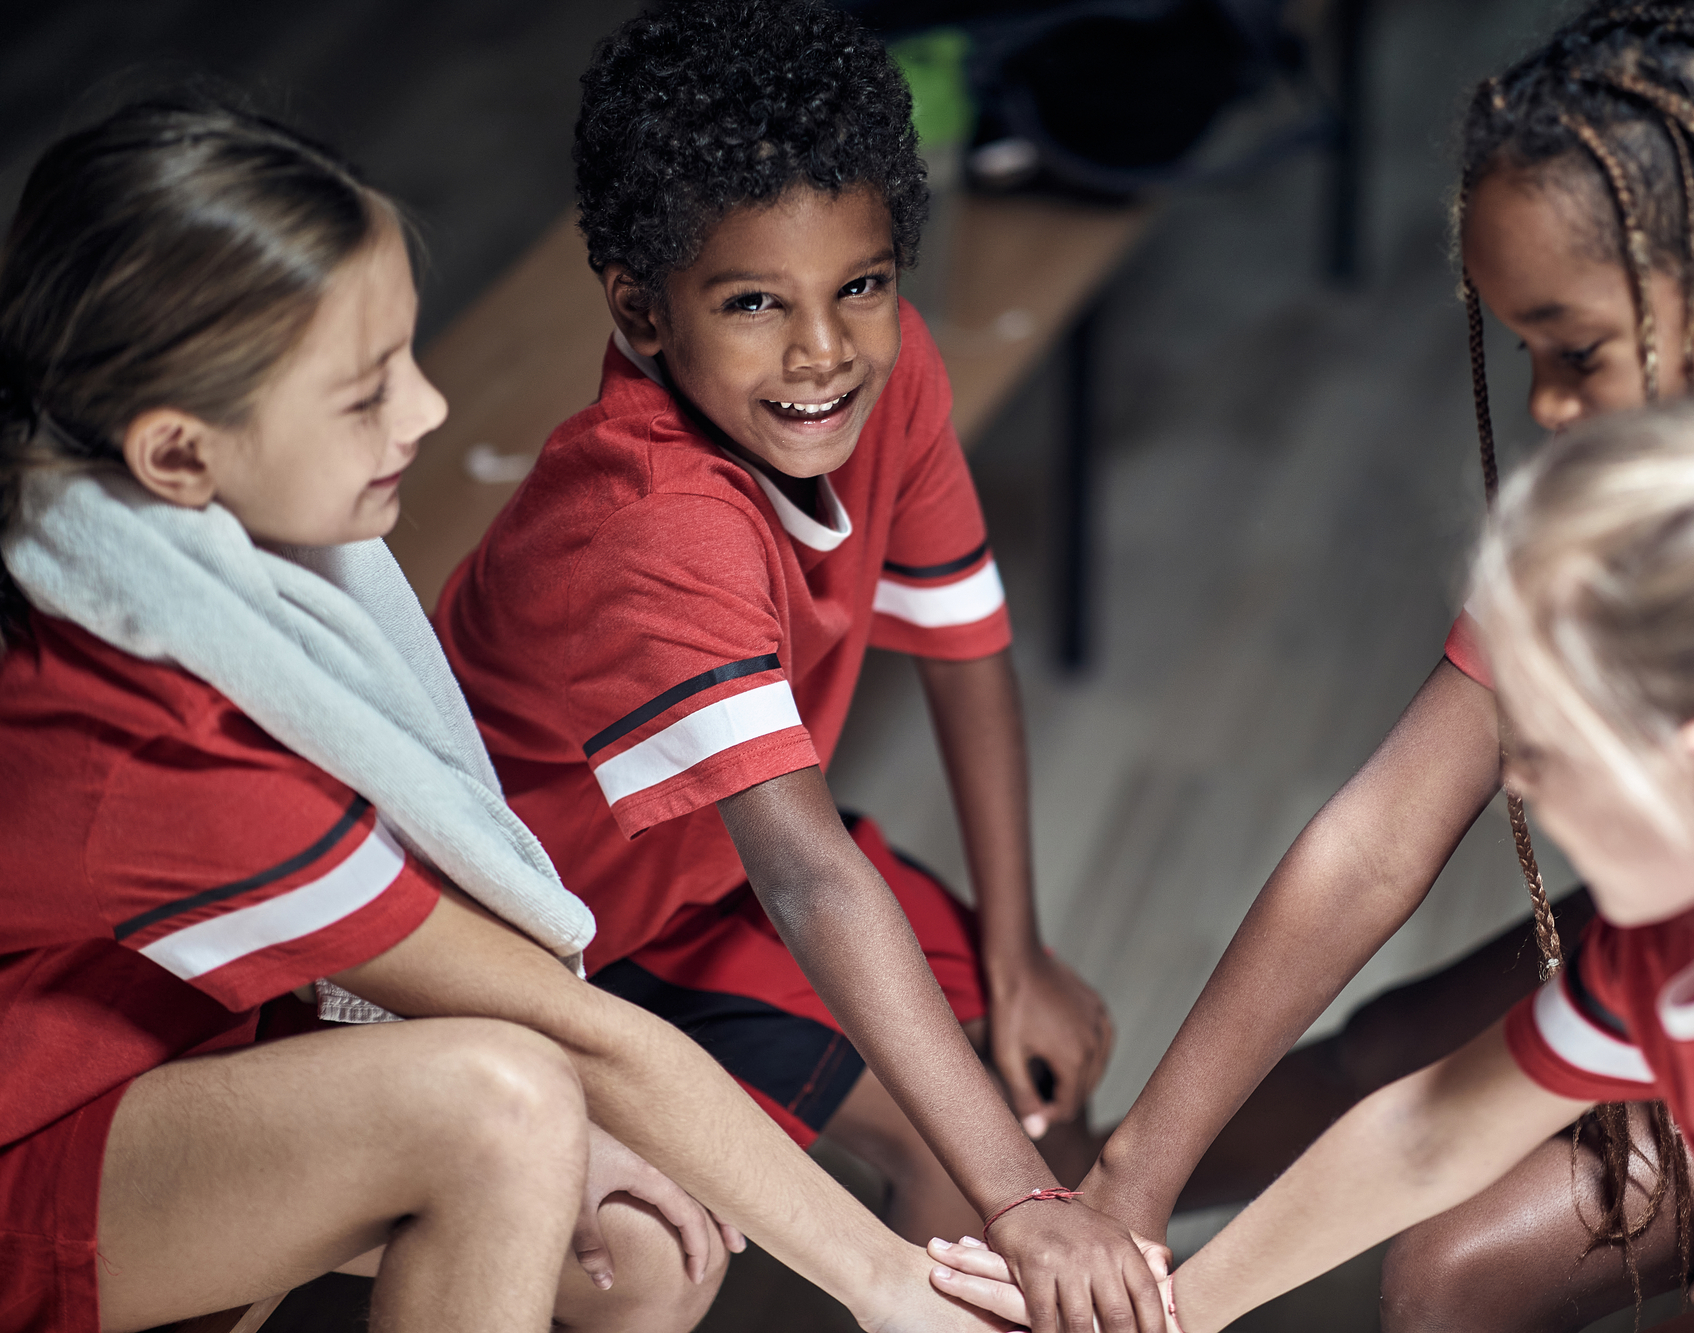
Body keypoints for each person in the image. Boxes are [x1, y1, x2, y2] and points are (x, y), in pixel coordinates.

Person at [0, 95, 1014, 1333]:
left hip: (181, 1036)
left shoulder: (156, 567)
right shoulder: (142, 743)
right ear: (174, 456)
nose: (426, 413)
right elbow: (570, 1033)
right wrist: (883, 1282)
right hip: (46, 1134)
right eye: (366, 393)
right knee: (511, 1097)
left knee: (636, 1241)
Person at [1068, 2, 1694, 1325]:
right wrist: (1125, 1189)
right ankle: (1038, 1214)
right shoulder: (1611, 528)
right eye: (1527, 357)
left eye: (1577, 354)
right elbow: (1386, 843)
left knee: (1451, 1268)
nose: (1549, 412)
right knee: (1395, 1056)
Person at [931, 395, 1694, 1333]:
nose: (1518, 789)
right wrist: (1169, 1312)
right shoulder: (1682, 945)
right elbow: (1424, 1134)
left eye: (1544, 750)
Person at [433, 4, 1156, 1327]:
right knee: (949, 1176)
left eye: (860, 287)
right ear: (643, 311)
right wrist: (1026, 1208)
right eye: (756, 303)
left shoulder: (886, 378)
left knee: (1032, 1080)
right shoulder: (652, 522)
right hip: (549, 958)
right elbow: (809, 873)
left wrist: (1019, 952)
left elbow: (965, 645)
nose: (824, 352)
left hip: (697, 885)